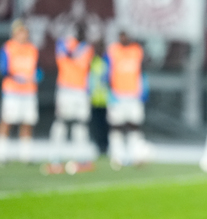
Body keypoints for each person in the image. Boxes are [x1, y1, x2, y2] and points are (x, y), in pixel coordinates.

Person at [46, 23, 94, 171]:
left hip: (81, 90)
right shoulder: (64, 44)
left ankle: (81, 159)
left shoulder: (87, 48)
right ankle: (55, 159)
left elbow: (82, 63)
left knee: (81, 124)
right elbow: (64, 54)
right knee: (61, 122)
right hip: (66, 89)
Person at [105, 31, 149, 169]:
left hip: (133, 95)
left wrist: (143, 89)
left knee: (134, 126)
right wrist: (109, 91)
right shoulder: (113, 50)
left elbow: (142, 70)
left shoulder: (137, 50)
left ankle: (135, 155)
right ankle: (117, 156)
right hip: (117, 95)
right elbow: (107, 71)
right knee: (116, 127)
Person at [0, 21, 39, 163]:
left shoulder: (32, 49)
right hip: (12, 91)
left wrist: (37, 76)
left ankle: (26, 155)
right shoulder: (8, 48)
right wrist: (16, 77)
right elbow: (3, 68)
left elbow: (38, 69)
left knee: (27, 122)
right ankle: (2, 153)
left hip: (29, 91)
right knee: (7, 121)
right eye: (20, 31)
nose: (23, 34)